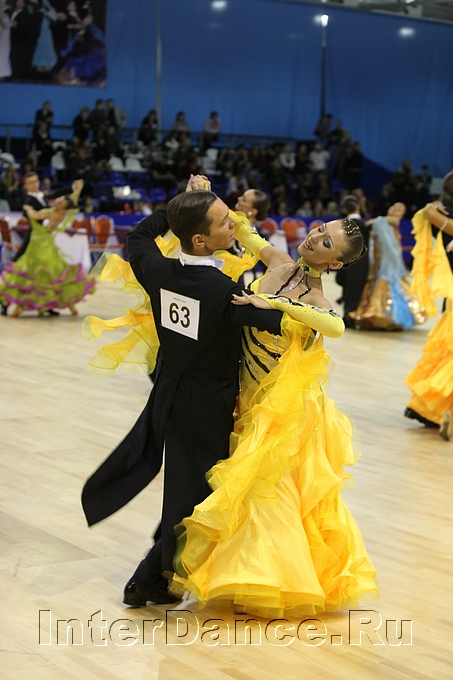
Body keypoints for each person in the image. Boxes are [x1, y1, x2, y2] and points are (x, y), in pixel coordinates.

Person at [81, 183, 288, 606]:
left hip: (170, 390)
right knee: (197, 492)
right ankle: (148, 578)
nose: (233, 223)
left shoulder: (157, 270)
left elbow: (138, 236)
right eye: (224, 221)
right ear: (200, 239)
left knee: (189, 486)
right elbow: (276, 321)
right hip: (205, 403)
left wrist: (175, 208)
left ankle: (162, 570)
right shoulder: (221, 291)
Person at [170, 212, 377, 616]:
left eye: (327, 243)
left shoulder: (317, 300)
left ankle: (264, 581)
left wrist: (276, 303)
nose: (315, 238)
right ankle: (244, 574)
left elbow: (335, 327)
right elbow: (243, 232)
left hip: (286, 408)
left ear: (335, 263)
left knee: (269, 493)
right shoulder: (278, 261)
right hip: (247, 396)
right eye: (321, 229)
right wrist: (210, 198)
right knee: (247, 491)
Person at [0, 179, 95, 316]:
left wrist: (28, 209)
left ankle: (26, 305)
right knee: (50, 275)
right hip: (45, 246)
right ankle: (47, 305)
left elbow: (34, 215)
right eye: (59, 199)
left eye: (60, 202)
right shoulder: (59, 210)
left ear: (62, 207)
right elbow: (70, 201)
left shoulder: (51, 212)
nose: (57, 200)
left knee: (32, 274)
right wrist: (77, 190)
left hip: (38, 246)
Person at [405, 171, 453, 437]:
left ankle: (438, 408)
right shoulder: (439, 214)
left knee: (448, 350)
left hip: (451, 293)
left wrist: (433, 208)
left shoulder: (436, 213)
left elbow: (427, 214)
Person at [349, 202, 427, 330]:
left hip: (389, 264)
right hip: (381, 262)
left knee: (387, 289)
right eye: (394, 206)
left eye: (399, 209)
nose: (395, 209)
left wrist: (377, 220)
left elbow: (391, 244)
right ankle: (387, 319)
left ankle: (388, 319)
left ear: (401, 216)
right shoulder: (386, 223)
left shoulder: (389, 222)